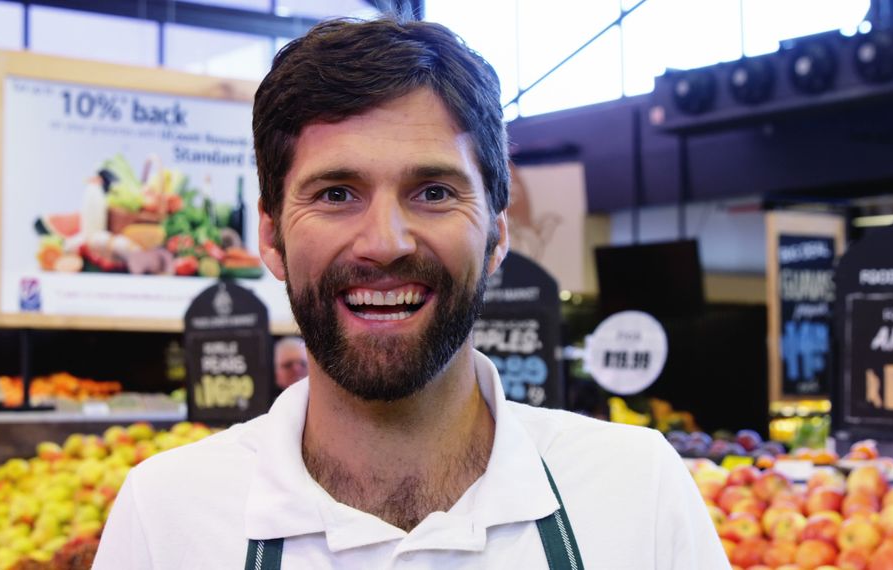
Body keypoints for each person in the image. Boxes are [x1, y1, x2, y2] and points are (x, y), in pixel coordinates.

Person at [94, 15, 729, 569]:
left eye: (434, 192)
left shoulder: (635, 489)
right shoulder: (167, 514)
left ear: (496, 233)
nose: (386, 242)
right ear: (270, 235)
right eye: (336, 193)